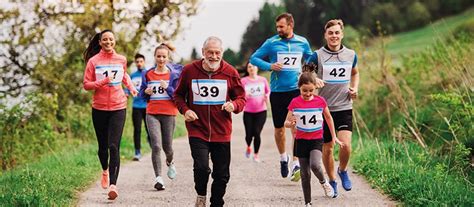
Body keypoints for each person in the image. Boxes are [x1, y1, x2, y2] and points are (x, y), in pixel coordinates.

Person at [250, 12, 323, 181]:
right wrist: (270, 65)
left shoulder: (302, 42)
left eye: (281, 27)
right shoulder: (272, 42)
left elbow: (310, 61)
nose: (278, 29)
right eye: (277, 27)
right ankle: (284, 157)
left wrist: (309, 75)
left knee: (295, 128)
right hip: (277, 91)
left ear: (291, 25)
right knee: (279, 129)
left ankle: (296, 162)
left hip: (295, 91)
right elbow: (254, 58)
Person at [173, 36, 246, 207]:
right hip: (197, 129)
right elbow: (177, 95)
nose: (214, 56)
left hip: (222, 131)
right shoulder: (190, 71)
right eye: (210, 52)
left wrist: (233, 104)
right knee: (201, 168)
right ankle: (201, 194)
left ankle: (216, 203)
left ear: (222, 53)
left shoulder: (230, 72)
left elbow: (241, 97)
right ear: (203, 52)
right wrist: (186, 110)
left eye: (217, 52)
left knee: (222, 175)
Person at [306, 19, 360, 198]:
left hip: (344, 106)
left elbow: (355, 72)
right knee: (328, 148)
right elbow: (305, 73)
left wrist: (355, 88)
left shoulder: (351, 54)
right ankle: (332, 180)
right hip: (324, 108)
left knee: (346, 145)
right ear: (325, 35)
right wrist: (314, 79)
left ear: (342, 34)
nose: (334, 36)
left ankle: (343, 170)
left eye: (337, 33)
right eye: (331, 33)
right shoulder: (317, 56)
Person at [83, 29, 137, 200]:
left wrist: (131, 87)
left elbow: (124, 76)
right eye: (104, 39)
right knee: (103, 147)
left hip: (118, 107)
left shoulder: (121, 59)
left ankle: (113, 185)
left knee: (114, 146)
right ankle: (105, 170)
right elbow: (86, 84)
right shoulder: (93, 61)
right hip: (99, 108)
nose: (108, 42)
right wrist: (102, 82)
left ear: (114, 41)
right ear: (100, 42)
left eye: (111, 39)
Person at [284, 64, 343, 206]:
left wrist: (334, 136)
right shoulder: (294, 102)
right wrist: (290, 123)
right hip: (301, 141)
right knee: (305, 175)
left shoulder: (320, 101)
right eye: (305, 90)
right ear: (299, 88)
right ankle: (307, 203)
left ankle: (324, 182)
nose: (308, 93)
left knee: (315, 165)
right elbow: (285, 122)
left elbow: (328, 118)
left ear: (315, 88)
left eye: (311, 90)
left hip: (316, 140)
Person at [139, 43, 182, 190]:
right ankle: (158, 178)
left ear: (168, 57)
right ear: (155, 57)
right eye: (159, 56)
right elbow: (141, 94)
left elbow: (177, 96)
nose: (161, 59)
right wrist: (146, 92)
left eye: (164, 56)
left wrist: (167, 87)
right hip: (152, 113)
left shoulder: (174, 74)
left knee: (167, 147)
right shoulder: (148, 74)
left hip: (169, 114)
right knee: (156, 146)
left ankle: (170, 162)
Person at [241, 62, 270, 162]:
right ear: (247, 69)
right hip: (248, 111)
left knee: (257, 132)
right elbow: (239, 95)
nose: (251, 68)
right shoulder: (243, 81)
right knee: (249, 134)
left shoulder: (263, 80)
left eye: (253, 66)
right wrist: (245, 96)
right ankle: (248, 146)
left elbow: (268, 91)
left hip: (261, 111)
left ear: (257, 68)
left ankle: (256, 155)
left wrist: (266, 96)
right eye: (249, 67)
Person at [127, 53, 150, 161]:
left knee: (149, 129)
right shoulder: (132, 75)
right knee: (137, 130)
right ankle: (137, 152)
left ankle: (153, 147)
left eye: (141, 61)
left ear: (144, 62)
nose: (139, 63)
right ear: (135, 63)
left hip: (148, 106)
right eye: (137, 62)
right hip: (136, 106)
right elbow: (127, 88)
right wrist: (126, 93)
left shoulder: (148, 74)